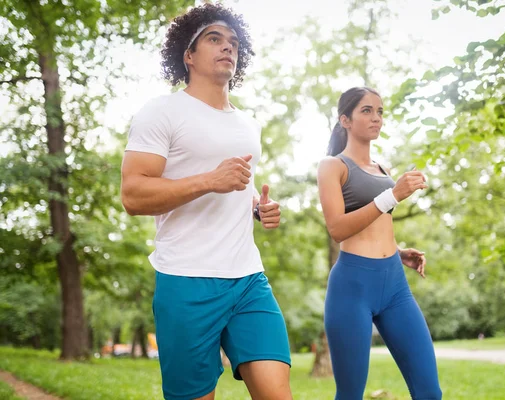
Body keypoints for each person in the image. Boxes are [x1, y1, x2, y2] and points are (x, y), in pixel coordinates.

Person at [120, 4, 292, 400]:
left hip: (248, 278)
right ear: (188, 54)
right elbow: (133, 194)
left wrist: (256, 207)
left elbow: (238, 186)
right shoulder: (162, 111)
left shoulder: (249, 124)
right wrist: (210, 181)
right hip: (185, 279)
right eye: (214, 38)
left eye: (233, 41)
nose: (227, 46)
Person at [317, 87, 442, 400]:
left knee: (429, 391)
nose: (376, 118)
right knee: (350, 394)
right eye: (366, 111)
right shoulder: (333, 166)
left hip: (394, 285)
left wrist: (399, 253)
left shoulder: (383, 170)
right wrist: (393, 195)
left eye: (380, 111)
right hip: (352, 287)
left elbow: (377, 224)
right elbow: (338, 228)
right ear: (345, 119)